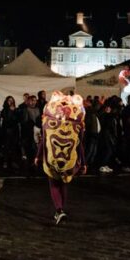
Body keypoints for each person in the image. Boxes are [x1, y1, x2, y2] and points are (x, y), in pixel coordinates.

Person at [35, 92, 86, 225]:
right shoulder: (77, 124)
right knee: (63, 183)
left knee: (53, 183)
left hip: (52, 158)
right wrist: (83, 162)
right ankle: (61, 209)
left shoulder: (48, 121)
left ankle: (59, 210)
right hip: (69, 160)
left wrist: (38, 156)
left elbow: (43, 140)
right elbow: (80, 144)